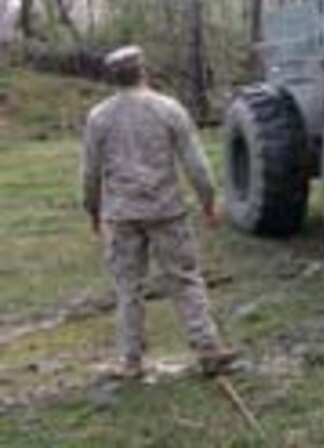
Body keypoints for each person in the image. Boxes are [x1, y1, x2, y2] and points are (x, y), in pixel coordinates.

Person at [81, 45, 236, 380]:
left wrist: (93, 210)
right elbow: (196, 164)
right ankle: (207, 348)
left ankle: (130, 360)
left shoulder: (99, 117)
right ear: (143, 71)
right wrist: (209, 201)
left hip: (121, 215)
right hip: (166, 210)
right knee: (185, 280)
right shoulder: (169, 109)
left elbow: (90, 172)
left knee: (128, 287)